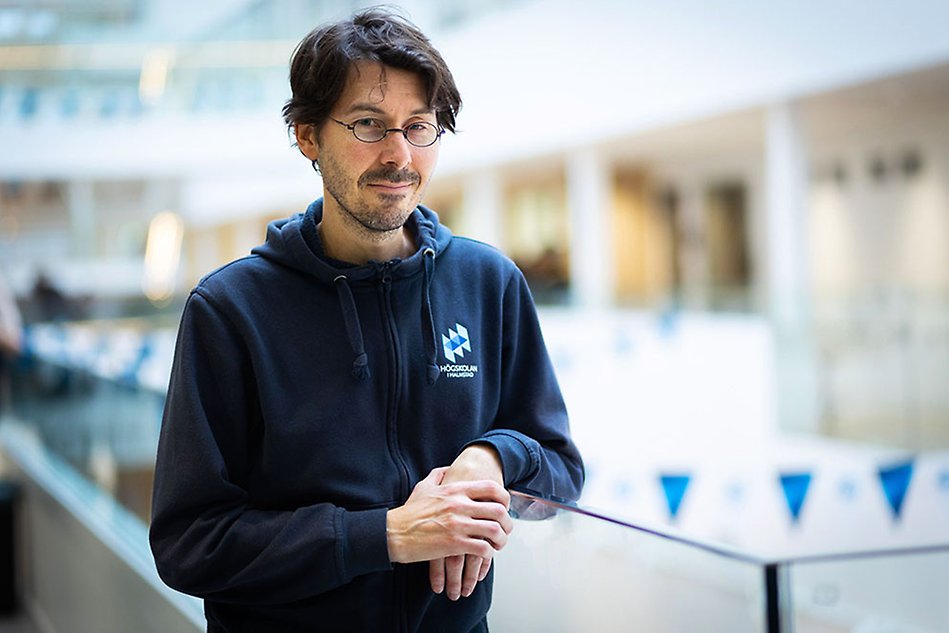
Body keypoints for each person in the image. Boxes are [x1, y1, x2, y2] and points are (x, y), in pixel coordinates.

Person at [149, 8, 583, 632]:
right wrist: (384, 536)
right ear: (307, 136)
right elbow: (190, 543)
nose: (399, 155)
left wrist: (492, 457)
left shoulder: (489, 285)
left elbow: (561, 471)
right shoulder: (230, 310)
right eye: (368, 125)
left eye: (417, 126)